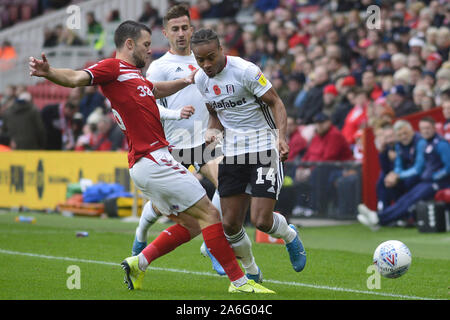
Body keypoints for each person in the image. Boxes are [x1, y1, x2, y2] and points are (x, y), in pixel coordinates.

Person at [29, 20, 273, 294]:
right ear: (129, 44)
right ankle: (240, 282)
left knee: (192, 223)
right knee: (210, 214)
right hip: (154, 159)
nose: (149, 51)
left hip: (148, 163)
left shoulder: (133, 77)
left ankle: (139, 262)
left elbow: (154, 90)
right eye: (146, 45)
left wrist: (184, 80)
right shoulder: (113, 67)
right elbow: (76, 78)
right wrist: (49, 72)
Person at [132, 4, 249, 279]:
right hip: (173, 145)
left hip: (206, 142)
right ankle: (141, 233)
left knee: (228, 184)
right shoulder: (159, 68)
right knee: (163, 207)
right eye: (175, 29)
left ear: (192, 29)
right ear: (165, 33)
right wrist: (174, 113)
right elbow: (148, 107)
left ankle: (213, 245)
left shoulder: (206, 59)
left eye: (185, 28)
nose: (181, 34)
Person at [191, 28, 307, 273]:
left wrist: (281, 138)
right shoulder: (201, 80)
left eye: (210, 57)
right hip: (233, 153)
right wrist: (211, 134)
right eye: (200, 59)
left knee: (262, 221)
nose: (206, 64)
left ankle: (289, 236)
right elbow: (216, 114)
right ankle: (252, 272)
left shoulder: (246, 71)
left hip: (264, 148)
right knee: (231, 224)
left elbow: (276, 102)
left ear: (222, 50)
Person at [358, 117, 450, 230]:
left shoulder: (440, 144)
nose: (425, 131)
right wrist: (395, 174)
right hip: (427, 181)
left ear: (434, 128)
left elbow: (448, 167)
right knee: (407, 197)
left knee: (412, 199)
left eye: (428, 128)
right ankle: (378, 217)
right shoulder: (425, 143)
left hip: (439, 182)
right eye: (422, 128)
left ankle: (379, 219)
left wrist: (435, 176)